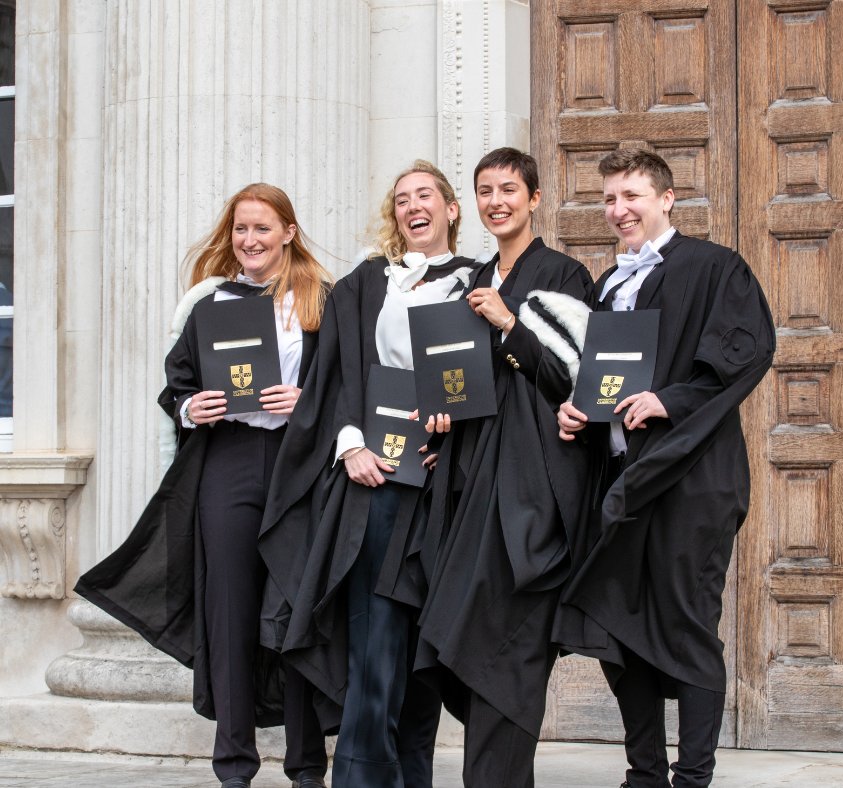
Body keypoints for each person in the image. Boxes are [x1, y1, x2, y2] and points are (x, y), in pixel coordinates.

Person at [76, 184, 331, 788]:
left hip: (297, 466)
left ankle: (305, 767)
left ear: (288, 232)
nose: (250, 241)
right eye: (241, 230)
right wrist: (197, 408)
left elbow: (347, 386)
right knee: (230, 611)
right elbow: (177, 387)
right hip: (230, 461)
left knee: (295, 610)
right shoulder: (209, 303)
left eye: (262, 229)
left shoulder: (322, 300)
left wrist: (306, 402)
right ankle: (235, 767)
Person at [553, 149, 775, 788]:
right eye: (609, 199)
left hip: (691, 482)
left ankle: (692, 777)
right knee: (616, 625)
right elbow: (601, 384)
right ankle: (644, 772)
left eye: (631, 196)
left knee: (686, 623)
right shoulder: (606, 285)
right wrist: (580, 413)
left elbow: (744, 354)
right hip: (622, 481)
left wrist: (668, 400)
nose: (619, 210)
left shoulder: (714, 267)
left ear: (666, 198)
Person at [258, 160, 479, 788]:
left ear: (450, 209)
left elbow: (486, 385)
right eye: (403, 198)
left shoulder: (478, 285)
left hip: (442, 487)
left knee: (424, 651)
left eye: (426, 196)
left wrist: (455, 433)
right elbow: (332, 377)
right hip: (375, 481)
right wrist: (350, 444)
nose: (414, 206)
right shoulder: (363, 286)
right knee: (376, 642)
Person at [414, 147, 595, 787]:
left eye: (509, 189)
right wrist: (441, 422)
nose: (497, 201)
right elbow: (462, 385)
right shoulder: (471, 277)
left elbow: (572, 382)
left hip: (534, 486)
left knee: (511, 646)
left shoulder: (566, 276)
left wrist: (511, 324)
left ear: (535, 198)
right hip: (468, 483)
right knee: (459, 639)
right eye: (486, 190)